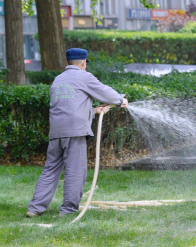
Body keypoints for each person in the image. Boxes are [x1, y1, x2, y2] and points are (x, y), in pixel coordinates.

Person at [27, 48, 128, 217]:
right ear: (83, 63)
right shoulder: (84, 76)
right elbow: (105, 92)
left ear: (67, 63)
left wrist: (93, 111)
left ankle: (34, 208)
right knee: (75, 170)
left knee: (50, 169)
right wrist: (120, 100)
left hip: (56, 131)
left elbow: (68, 105)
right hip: (75, 132)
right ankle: (68, 211)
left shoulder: (58, 80)